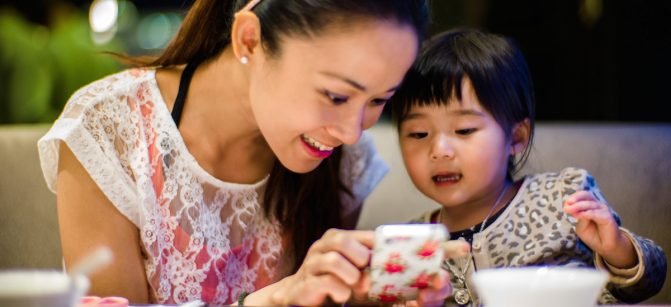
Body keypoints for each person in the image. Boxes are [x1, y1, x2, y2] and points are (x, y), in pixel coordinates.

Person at [37, 0, 463, 305]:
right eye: (335, 96)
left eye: (378, 101)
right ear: (249, 40)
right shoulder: (112, 129)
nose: (353, 133)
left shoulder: (343, 157)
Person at [390, 28, 667, 306]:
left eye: (463, 130)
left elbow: (648, 282)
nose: (439, 151)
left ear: (516, 137)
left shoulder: (561, 198)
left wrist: (617, 249)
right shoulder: (411, 242)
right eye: (418, 134)